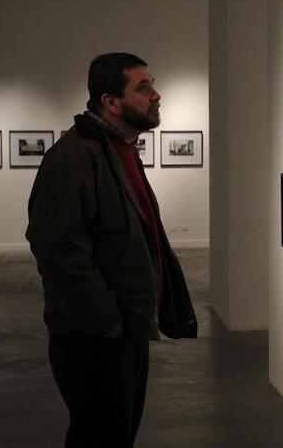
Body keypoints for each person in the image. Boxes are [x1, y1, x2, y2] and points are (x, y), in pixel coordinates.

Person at [26, 53, 197, 448]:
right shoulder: (75, 157)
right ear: (110, 101)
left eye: (152, 84)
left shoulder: (118, 151)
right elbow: (56, 249)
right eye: (143, 87)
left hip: (124, 331)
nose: (156, 95)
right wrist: (105, 320)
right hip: (92, 338)